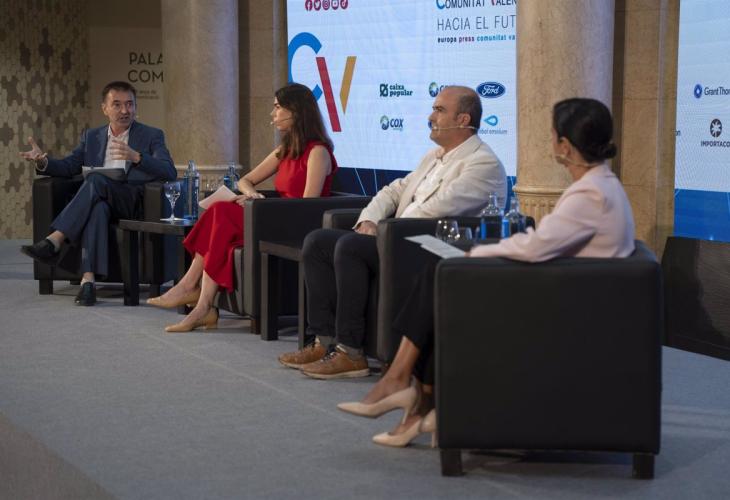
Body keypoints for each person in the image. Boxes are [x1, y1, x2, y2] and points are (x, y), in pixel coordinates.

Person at [337, 97, 636, 447]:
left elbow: (534, 248)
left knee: (440, 276)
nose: (550, 141)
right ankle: (413, 401)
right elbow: (544, 245)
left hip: (566, 313)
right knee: (440, 277)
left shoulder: (590, 195)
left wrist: (475, 252)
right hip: (568, 295)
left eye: (552, 134)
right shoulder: (602, 185)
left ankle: (403, 386)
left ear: (565, 146)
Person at [278, 85, 507, 379]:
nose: (430, 117)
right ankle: (324, 340)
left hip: (429, 248)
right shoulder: (434, 156)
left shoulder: (482, 163)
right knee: (318, 241)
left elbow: (435, 210)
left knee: (350, 247)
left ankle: (351, 352)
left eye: (439, 110)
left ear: (463, 120)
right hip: (398, 239)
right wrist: (369, 222)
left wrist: (385, 233)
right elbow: (393, 191)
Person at [149, 83, 338, 333]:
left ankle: (193, 293)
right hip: (272, 215)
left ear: (296, 111)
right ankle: (200, 302)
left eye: (277, 107)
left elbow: (307, 206)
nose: (272, 114)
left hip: (296, 224)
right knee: (219, 213)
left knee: (222, 214)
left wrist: (261, 204)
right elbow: (245, 180)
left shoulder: (318, 152)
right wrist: (251, 195)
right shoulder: (285, 149)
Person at [20, 81, 176, 306]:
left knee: (95, 179)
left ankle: (55, 239)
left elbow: (169, 171)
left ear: (135, 107)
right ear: (105, 108)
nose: (125, 110)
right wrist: (43, 162)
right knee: (97, 208)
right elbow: (69, 166)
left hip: (132, 201)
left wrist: (137, 157)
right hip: (100, 198)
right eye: (117, 104)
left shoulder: (152, 135)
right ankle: (88, 282)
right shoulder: (92, 136)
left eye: (130, 104)